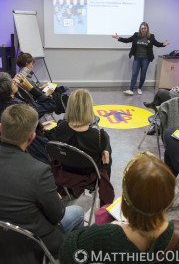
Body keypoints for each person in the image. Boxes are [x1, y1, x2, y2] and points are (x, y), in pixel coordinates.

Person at [59, 151, 179, 264]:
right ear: (169, 198)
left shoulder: (104, 235)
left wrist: (115, 227)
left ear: (125, 200)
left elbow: (67, 252)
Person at [0, 104, 84, 259]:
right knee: (77, 212)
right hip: (32, 242)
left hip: (5, 241)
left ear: (0, 128)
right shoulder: (39, 171)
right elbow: (57, 215)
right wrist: (54, 198)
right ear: (32, 137)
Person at [0, 72, 56, 163]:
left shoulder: (6, 103)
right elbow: (50, 104)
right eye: (11, 82)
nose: (14, 82)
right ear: (9, 92)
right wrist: (30, 88)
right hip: (33, 148)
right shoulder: (20, 109)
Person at [56, 89, 112, 178]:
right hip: (88, 175)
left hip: (65, 171)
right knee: (106, 155)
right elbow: (105, 161)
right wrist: (106, 148)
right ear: (89, 109)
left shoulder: (60, 127)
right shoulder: (98, 136)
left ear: (69, 107)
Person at [112, 22, 169, 95]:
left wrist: (163, 44)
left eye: (145, 28)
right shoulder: (136, 35)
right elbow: (127, 40)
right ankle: (131, 90)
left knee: (143, 74)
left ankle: (139, 88)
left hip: (146, 59)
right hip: (137, 58)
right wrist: (119, 38)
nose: (143, 30)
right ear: (140, 29)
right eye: (142, 28)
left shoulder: (151, 36)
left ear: (147, 29)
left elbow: (157, 44)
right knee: (134, 74)